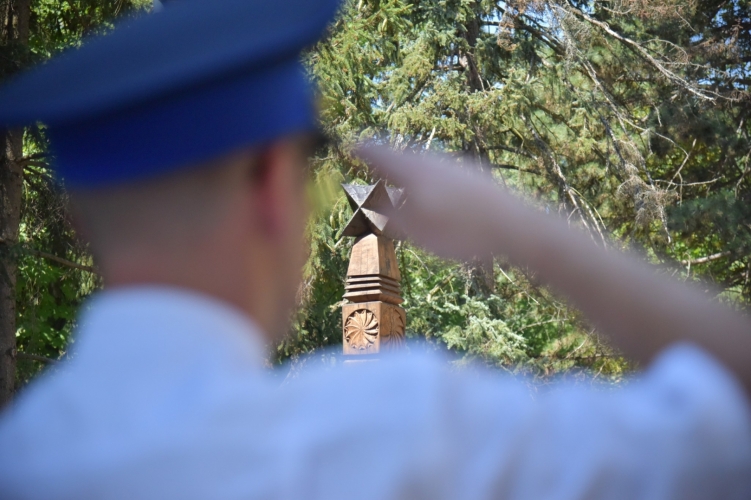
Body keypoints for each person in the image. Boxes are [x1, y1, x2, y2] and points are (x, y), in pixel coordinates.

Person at [0, 0, 749, 498]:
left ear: (78, 217)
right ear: (270, 187)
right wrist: (520, 228)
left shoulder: (23, 458)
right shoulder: (398, 433)